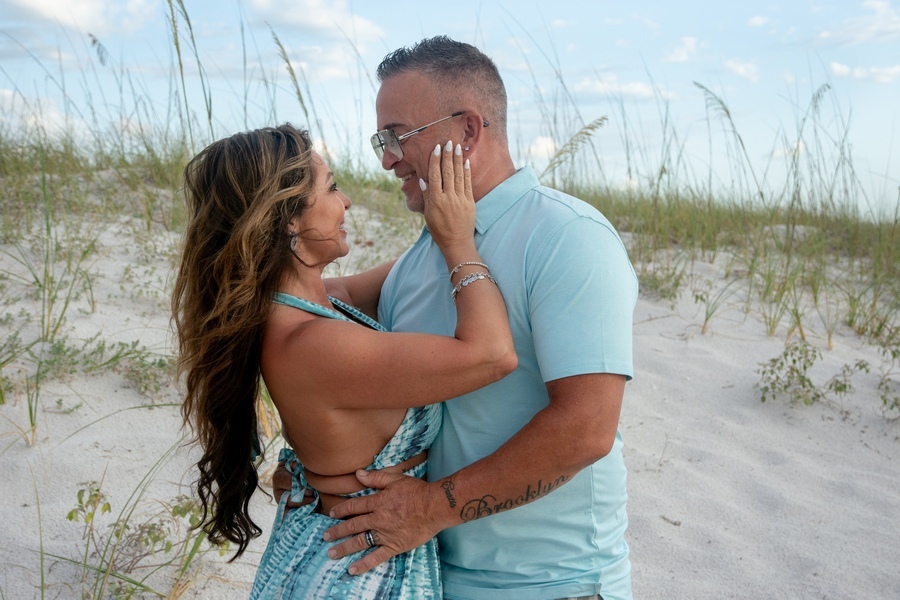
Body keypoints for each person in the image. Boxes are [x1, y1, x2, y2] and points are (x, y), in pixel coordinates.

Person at [316, 36, 639, 600]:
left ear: (467, 130)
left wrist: (429, 508)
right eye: (379, 141)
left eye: (396, 137)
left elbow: (587, 428)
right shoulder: (425, 253)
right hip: (430, 579)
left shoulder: (567, 238)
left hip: (549, 584)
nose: (388, 158)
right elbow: (319, 300)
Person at [171, 123, 517, 599]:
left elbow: (391, 278)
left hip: (339, 546)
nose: (347, 201)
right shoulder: (314, 344)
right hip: (353, 573)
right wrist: (459, 243)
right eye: (331, 187)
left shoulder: (308, 304)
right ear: (289, 219)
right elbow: (492, 355)